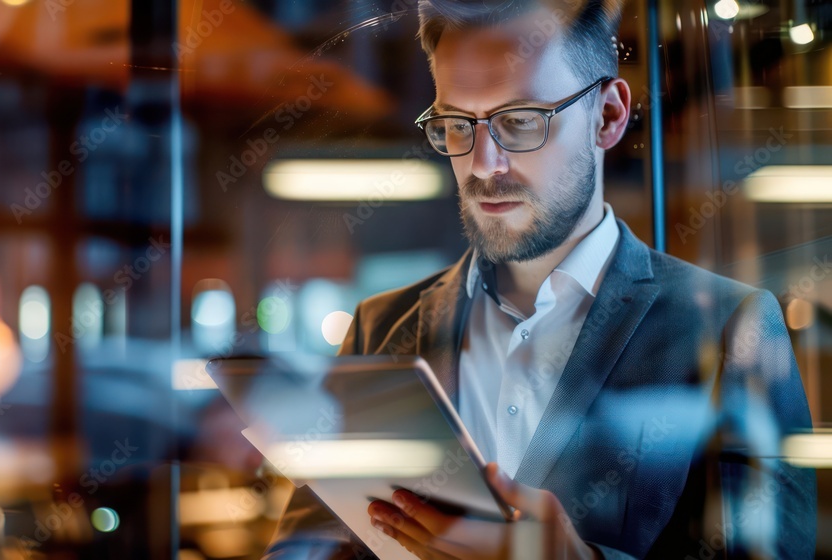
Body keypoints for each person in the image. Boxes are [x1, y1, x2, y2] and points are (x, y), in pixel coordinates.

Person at [262, 0, 816, 558]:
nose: (483, 164)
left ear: (608, 115)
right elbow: (307, 546)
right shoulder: (380, 327)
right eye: (457, 124)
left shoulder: (728, 329)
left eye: (520, 121)